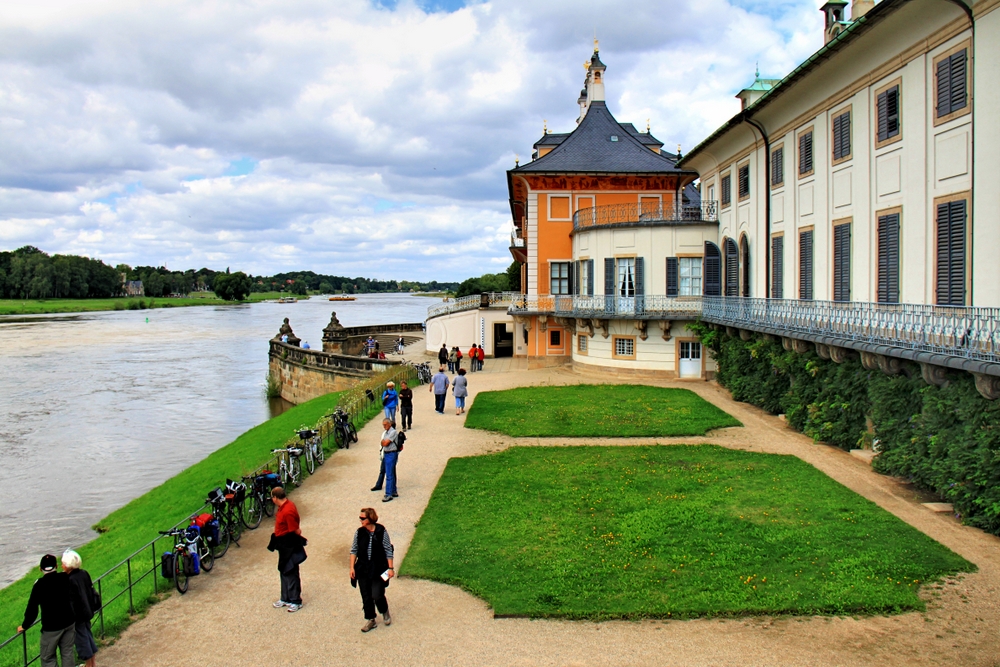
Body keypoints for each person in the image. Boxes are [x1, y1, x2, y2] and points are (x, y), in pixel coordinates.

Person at [17, 554, 78, 667]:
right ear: (56, 566)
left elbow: (32, 609)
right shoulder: (65, 577)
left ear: (40, 569)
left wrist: (25, 625)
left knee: (47, 657)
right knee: (67, 653)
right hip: (69, 622)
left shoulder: (39, 585)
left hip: (51, 628)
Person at [349, 508, 394, 633]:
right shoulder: (359, 532)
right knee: (366, 595)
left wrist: (390, 568)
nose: (360, 520)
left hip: (378, 568)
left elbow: (388, 550)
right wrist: (352, 567)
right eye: (360, 518)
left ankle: (384, 611)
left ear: (370, 519)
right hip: (363, 568)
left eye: (363, 518)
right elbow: (354, 550)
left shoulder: (381, 531)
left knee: (377, 594)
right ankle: (371, 619)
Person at [267, 487, 306, 612]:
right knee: (284, 570)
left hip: (288, 543)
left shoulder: (287, 511)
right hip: (283, 543)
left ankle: (295, 600)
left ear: (275, 498)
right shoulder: (286, 506)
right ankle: (285, 598)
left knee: (290, 570)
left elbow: (295, 529)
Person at [62, 551, 98, 667]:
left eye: (63, 564)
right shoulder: (84, 574)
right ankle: (92, 663)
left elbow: (71, 601)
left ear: (67, 565)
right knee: (87, 635)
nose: (62, 566)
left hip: (78, 616)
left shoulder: (70, 580)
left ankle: (89, 664)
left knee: (82, 640)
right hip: (88, 611)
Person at [379, 419, 399, 502]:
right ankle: (393, 491)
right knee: (391, 472)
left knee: (389, 474)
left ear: (389, 424)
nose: (384, 426)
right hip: (387, 453)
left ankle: (388, 494)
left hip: (391, 454)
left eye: (385, 424)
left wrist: (384, 442)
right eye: (383, 425)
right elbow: (382, 442)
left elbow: (385, 443)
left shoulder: (393, 432)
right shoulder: (386, 432)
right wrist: (384, 442)